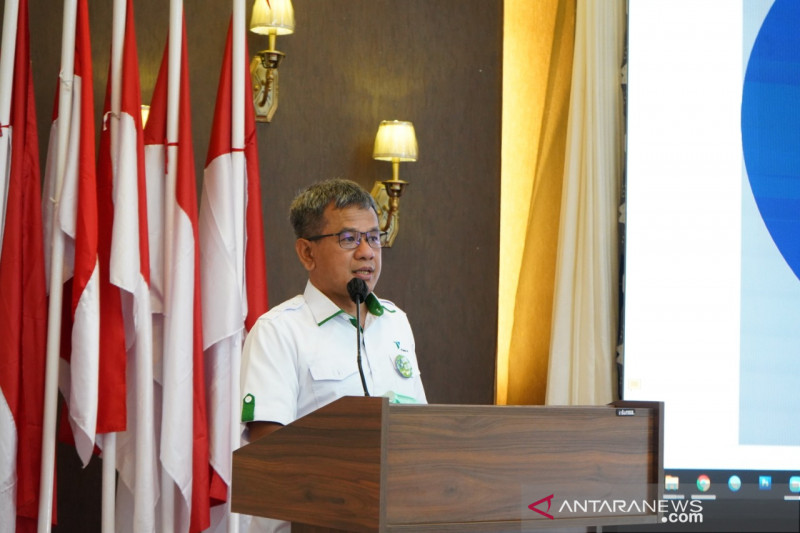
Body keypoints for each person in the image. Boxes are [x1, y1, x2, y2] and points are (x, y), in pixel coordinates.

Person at [239, 178, 427, 532]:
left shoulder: (396, 323)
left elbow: (422, 434)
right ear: (307, 253)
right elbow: (269, 455)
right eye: (349, 239)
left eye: (374, 237)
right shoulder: (278, 331)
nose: (367, 252)